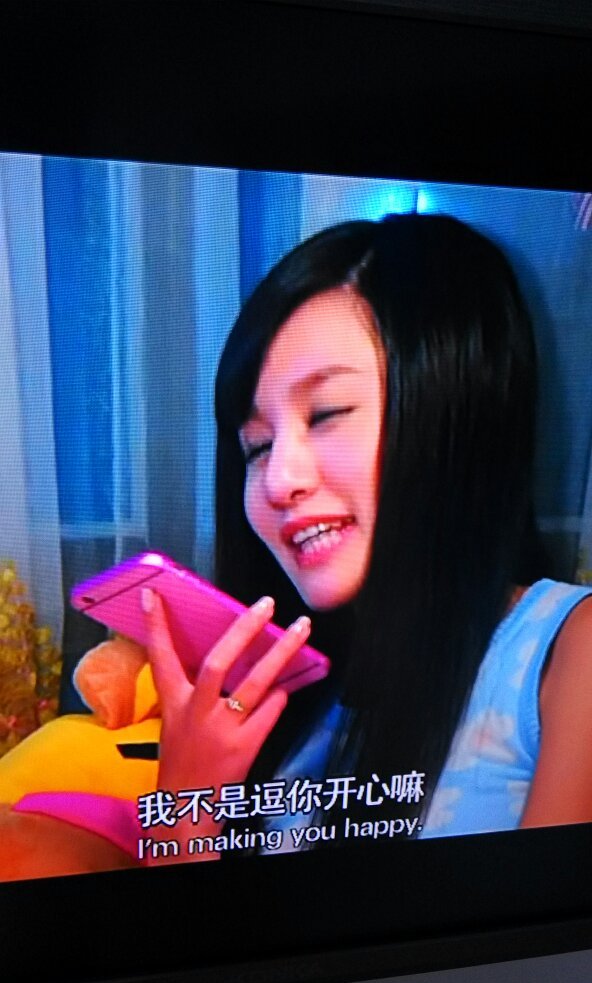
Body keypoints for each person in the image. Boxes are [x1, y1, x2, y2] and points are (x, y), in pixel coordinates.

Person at [142, 212, 592, 854]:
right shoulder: (300, 690)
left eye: (326, 413)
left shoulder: (569, 648)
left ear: (454, 408)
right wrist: (186, 795)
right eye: (256, 447)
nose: (278, 481)